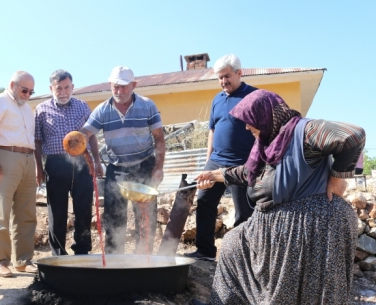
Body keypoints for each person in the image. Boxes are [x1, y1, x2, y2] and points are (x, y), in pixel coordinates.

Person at [190, 90, 364, 305]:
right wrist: (214, 175)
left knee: (322, 295)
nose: (247, 128)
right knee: (232, 244)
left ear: (268, 115)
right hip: (272, 224)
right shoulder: (268, 144)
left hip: (315, 224)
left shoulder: (303, 131)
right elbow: (250, 173)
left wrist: (338, 179)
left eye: (250, 121)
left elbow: (352, 136)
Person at [81, 66, 165, 254]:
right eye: (115, 87)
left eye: (123, 87)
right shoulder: (102, 110)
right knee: (113, 218)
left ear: (133, 85)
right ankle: (114, 262)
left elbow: (159, 138)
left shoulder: (147, 105)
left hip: (144, 166)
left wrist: (158, 168)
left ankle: (143, 261)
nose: (119, 91)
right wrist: (76, 141)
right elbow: (85, 134)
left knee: (145, 217)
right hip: (116, 169)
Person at [185, 54, 258, 261]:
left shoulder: (254, 96)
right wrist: (208, 161)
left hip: (242, 163)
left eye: (227, 76)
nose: (223, 81)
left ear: (239, 73)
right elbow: (212, 131)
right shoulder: (217, 99)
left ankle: (242, 256)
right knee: (205, 201)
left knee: (243, 211)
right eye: (219, 78)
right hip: (216, 160)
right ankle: (205, 251)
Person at [0, 71, 39, 277]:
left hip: (28, 159)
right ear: (12, 84)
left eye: (31, 91)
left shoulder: (27, 109)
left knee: (26, 212)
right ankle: (0, 261)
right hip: (4, 156)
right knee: (0, 212)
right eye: (24, 90)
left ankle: (23, 260)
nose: (27, 94)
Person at [34, 70, 99, 255]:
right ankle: (58, 254)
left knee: (83, 208)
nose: (63, 92)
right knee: (57, 210)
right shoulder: (41, 109)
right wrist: (39, 169)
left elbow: (92, 136)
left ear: (72, 87)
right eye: (58, 88)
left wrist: (97, 161)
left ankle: (82, 250)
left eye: (67, 87)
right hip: (55, 164)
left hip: (82, 162)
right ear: (51, 88)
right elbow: (37, 142)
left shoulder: (83, 107)